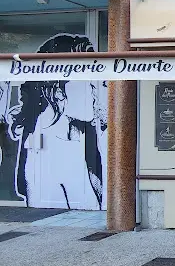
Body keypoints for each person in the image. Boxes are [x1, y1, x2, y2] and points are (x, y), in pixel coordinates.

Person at [7, 34, 105, 209]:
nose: (95, 94)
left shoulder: (84, 133)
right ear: (58, 92)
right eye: (89, 86)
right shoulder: (43, 156)